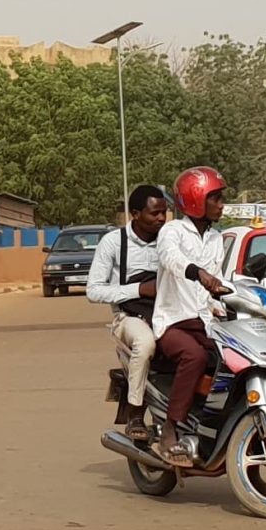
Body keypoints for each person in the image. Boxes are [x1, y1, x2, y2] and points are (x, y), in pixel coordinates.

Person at [153, 165, 236, 467]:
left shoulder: (216, 238)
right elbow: (171, 259)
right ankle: (170, 429)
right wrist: (198, 273)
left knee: (236, 360)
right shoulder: (171, 231)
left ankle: (213, 422)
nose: (221, 204)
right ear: (196, 199)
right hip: (173, 321)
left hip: (206, 321)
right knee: (194, 357)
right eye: (215, 198)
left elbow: (222, 278)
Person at [86, 185, 170, 443]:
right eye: (154, 213)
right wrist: (140, 290)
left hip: (167, 313)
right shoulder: (114, 242)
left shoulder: (169, 240)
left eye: (164, 213)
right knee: (145, 343)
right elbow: (94, 291)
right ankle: (135, 413)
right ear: (135, 213)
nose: (160, 219)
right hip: (129, 318)